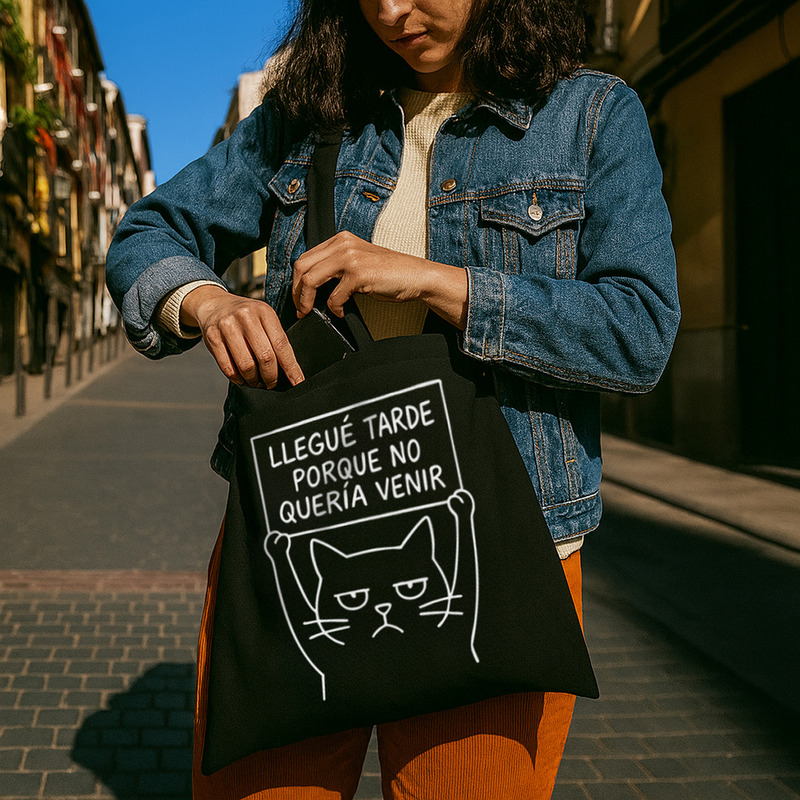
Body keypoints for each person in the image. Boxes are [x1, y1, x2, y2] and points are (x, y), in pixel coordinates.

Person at [106, 0, 680, 797]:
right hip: (303, 548)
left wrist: (438, 283)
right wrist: (206, 302)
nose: (390, 11)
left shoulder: (587, 115)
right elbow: (148, 232)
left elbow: (638, 332)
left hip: (497, 557)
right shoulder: (308, 115)